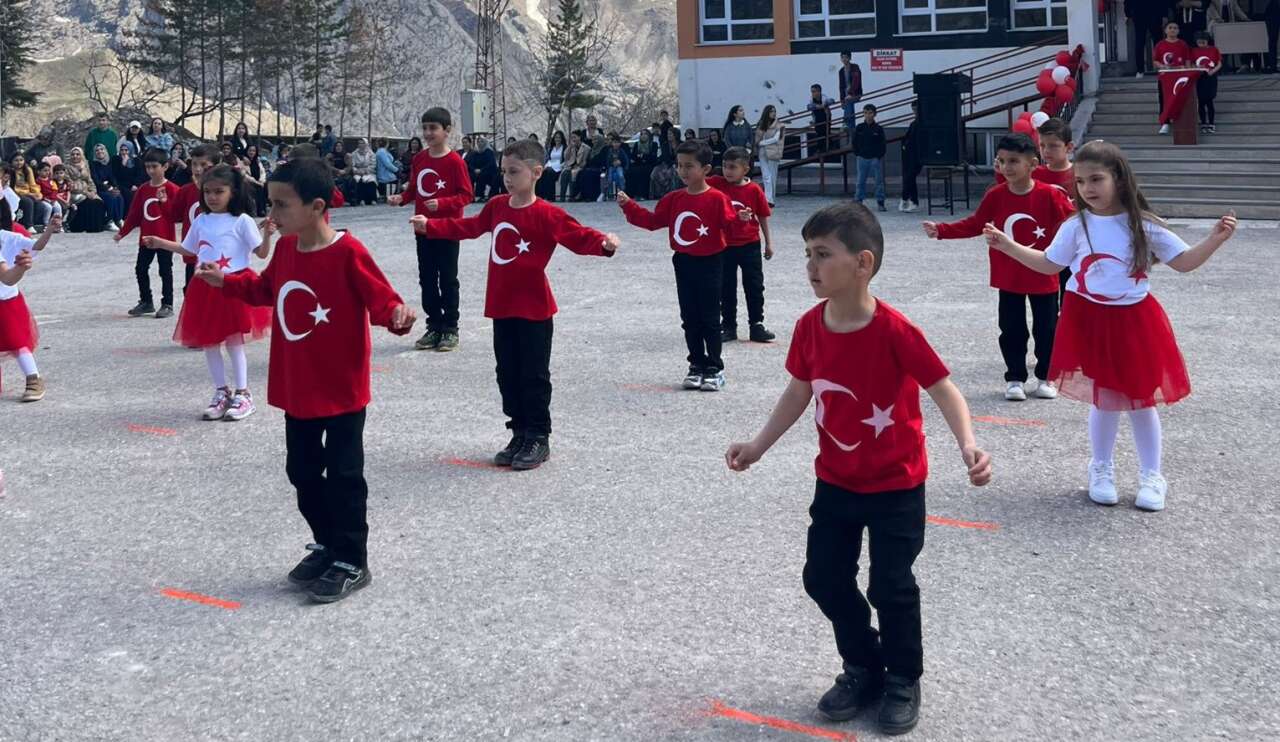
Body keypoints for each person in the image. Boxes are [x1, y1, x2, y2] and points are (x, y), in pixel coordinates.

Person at [724, 201, 992, 736]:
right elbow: (799, 391)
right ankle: (865, 663)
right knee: (823, 577)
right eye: (807, 254)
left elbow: (943, 387)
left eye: (823, 255)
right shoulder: (808, 327)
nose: (810, 266)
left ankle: (902, 678)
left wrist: (968, 444)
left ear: (862, 263)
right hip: (837, 482)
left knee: (891, 586)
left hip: (896, 484)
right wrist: (759, 444)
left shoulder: (894, 330)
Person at [194, 156, 416, 603]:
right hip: (298, 387)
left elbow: (383, 300)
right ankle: (328, 543)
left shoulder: (348, 253)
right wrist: (227, 281)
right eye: (271, 204)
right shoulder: (288, 249)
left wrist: (397, 316)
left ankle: (352, 559)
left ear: (316, 207)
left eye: (281, 205)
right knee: (302, 471)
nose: (271, 216)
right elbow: (265, 289)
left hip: (341, 389)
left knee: (345, 476)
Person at [983, 140, 1237, 512]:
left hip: (1134, 321)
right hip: (1089, 319)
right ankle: (1100, 468)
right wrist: (1008, 247)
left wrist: (1214, 240)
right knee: (1104, 399)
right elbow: (1050, 264)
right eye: (1081, 181)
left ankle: (1152, 474)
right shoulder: (1076, 225)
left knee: (1139, 400)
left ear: (1118, 179)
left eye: (1096, 179)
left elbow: (1183, 261)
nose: (1087, 189)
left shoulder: (1142, 225)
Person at [412, 139, 621, 470]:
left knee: (533, 375)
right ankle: (519, 431)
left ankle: (538, 436)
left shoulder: (547, 214)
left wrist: (605, 244)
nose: (507, 178)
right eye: (504, 172)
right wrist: (432, 227)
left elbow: (578, 236)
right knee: (506, 374)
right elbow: (468, 226)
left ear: (536, 173)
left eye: (514, 171)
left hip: (535, 309)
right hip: (501, 305)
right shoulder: (497, 206)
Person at [923, 133, 1075, 401]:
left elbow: (1074, 223)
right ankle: (1015, 377)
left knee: (1047, 329)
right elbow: (975, 223)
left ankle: (1045, 376)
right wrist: (942, 230)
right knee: (1012, 329)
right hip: (1010, 276)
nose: (1007, 167)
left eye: (1014, 161)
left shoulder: (1050, 195)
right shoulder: (996, 195)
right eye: (1002, 161)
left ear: (1032, 164)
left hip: (1043, 274)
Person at [617, 139, 749, 392]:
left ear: (706, 169)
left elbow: (730, 226)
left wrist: (742, 220)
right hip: (684, 261)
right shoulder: (674, 199)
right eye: (680, 166)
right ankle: (695, 365)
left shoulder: (717, 198)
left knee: (710, 316)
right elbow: (653, 221)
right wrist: (629, 206)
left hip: (711, 261)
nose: (683, 171)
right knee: (689, 316)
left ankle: (714, 367)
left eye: (690, 166)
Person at [144, 163, 272, 421]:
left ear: (233, 192)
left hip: (232, 284)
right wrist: (160, 243)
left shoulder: (242, 220)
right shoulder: (201, 220)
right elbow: (189, 249)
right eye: (208, 192)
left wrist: (268, 234)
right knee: (209, 343)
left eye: (219, 191)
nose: (212, 197)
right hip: (204, 286)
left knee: (234, 341)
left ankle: (243, 393)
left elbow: (261, 253)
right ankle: (221, 391)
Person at [388, 107, 474, 351]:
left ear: (447, 131)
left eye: (433, 128)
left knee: (447, 279)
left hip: (447, 229)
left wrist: (444, 203)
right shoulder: (420, 159)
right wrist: (402, 198)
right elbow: (415, 188)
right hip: (422, 228)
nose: (427, 133)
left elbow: (466, 195)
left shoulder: (455, 162)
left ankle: (450, 328)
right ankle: (434, 325)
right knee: (427, 278)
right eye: (425, 127)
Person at [709, 147, 774, 344]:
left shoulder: (754, 189)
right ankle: (728, 326)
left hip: (750, 245)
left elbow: (762, 215)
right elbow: (697, 180)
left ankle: (757, 324)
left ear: (745, 169)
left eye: (732, 167)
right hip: (725, 246)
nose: (727, 171)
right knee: (725, 287)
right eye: (724, 166)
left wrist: (769, 243)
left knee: (754, 286)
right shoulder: (717, 183)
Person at [0, 207, 62, 402]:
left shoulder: (8, 237)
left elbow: (7, 278)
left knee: (17, 341)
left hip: (5, 299)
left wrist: (20, 268)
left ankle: (33, 378)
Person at [114, 148, 181, 318]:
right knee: (141, 269)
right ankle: (146, 301)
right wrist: (122, 232)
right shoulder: (143, 189)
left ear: (165, 166)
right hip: (146, 239)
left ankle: (167, 303)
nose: (150, 170)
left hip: (165, 239)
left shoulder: (172, 189)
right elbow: (134, 214)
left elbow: (176, 214)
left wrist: (164, 203)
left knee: (165, 270)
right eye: (147, 167)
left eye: (154, 166)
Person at [1032, 118, 1078, 305]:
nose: (1046, 151)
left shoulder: (1079, 174)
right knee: (1045, 302)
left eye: (1053, 146)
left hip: (1073, 245)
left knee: (1070, 297)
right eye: (1042, 145)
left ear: (1069, 147)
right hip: (1044, 243)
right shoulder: (1035, 174)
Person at [166, 143, 219, 291]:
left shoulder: (223, 192)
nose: (197, 169)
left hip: (216, 252)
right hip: (193, 250)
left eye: (203, 164)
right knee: (191, 289)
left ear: (215, 166)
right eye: (194, 164)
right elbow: (173, 215)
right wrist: (164, 203)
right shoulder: (185, 191)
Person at [61, 148, 106, 233]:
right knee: (88, 202)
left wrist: (93, 191)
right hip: (74, 192)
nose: (75, 156)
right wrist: (86, 192)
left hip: (86, 190)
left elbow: (90, 180)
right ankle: (80, 226)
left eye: (77, 154)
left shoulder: (85, 165)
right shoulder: (66, 167)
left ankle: (95, 227)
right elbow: (69, 183)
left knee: (98, 202)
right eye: (73, 154)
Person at [853, 104, 887, 212]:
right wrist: (857, 153)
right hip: (862, 158)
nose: (868, 115)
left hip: (875, 159)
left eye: (870, 113)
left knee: (879, 182)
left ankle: (880, 202)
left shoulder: (878, 128)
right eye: (866, 113)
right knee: (860, 181)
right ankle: (858, 202)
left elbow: (883, 144)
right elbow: (854, 142)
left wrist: (879, 156)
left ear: (875, 114)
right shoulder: (859, 127)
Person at [754, 105, 785, 208]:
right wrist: (758, 144)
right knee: (766, 176)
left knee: (772, 176)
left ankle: (771, 199)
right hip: (762, 152)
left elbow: (776, 139)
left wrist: (762, 143)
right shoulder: (761, 124)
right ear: (767, 112)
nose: (773, 113)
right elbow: (757, 137)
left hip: (773, 152)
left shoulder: (779, 125)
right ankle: (768, 199)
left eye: (774, 111)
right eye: (771, 111)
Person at [1193, 32, 1223, 132]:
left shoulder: (1214, 49)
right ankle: (1203, 123)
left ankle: (1211, 123)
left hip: (1210, 77)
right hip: (1199, 77)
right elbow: (1191, 63)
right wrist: (1197, 70)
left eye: (1203, 42)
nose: (1201, 45)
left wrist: (1213, 71)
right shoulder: (1194, 50)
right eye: (1199, 42)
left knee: (1209, 101)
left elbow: (1219, 63)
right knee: (1201, 102)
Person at [9, 153, 48, 231]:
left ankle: (34, 224)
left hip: (28, 193)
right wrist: (29, 194)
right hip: (15, 193)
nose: (19, 162)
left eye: (21, 160)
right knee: (28, 202)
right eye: (16, 160)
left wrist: (37, 194)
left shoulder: (27, 169)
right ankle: (28, 225)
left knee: (40, 205)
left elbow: (32, 184)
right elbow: (13, 188)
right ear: (11, 162)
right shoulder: (9, 171)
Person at [90, 144, 125, 231]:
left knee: (119, 196)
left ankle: (119, 220)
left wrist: (115, 187)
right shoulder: (93, 164)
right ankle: (109, 221)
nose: (99, 151)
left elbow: (112, 178)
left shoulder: (108, 164)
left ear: (105, 151)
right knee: (110, 197)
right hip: (99, 189)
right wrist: (108, 188)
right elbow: (96, 180)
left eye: (101, 149)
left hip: (109, 188)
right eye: (97, 150)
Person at [111, 142, 145, 214]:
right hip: (121, 184)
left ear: (130, 150)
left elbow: (140, 174)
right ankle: (127, 217)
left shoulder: (136, 160)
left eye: (126, 150)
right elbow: (117, 175)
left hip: (134, 184)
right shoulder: (115, 159)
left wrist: (136, 184)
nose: (124, 152)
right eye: (122, 150)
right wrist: (123, 164)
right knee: (127, 194)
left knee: (139, 192)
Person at [838, 51, 864, 144]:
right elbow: (841, 87)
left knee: (849, 103)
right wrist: (842, 100)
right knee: (851, 113)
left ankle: (844, 123)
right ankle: (852, 136)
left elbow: (856, 82)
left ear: (849, 58)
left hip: (856, 93)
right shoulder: (841, 71)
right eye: (842, 57)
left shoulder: (855, 67)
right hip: (846, 96)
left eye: (846, 57)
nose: (844, 59)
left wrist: (850, 93)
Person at [899, 101, 921, 213]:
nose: (915, 112)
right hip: (910, 154)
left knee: (910, 177)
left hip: (918, 155)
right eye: (913, 109)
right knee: (909, 177)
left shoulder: (921, 122)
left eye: (916, 109)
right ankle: (911, 200)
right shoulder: (914, 123)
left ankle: (906, 198)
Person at [650, 127, 681, 201]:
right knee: (655, 172)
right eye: (668, 134)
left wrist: (675, 163)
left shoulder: (681, 144)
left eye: (670, 134)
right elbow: (665, 156)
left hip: (679, 163)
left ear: (675, 135)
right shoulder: (665, 144)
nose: (669, 136)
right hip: (667, 163)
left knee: (673, 172)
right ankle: (657, 194)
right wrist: (670, 164)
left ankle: (673, 194)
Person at [626, 129, 658, 200]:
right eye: (641, 134)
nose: (643, 136)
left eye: (645, 134)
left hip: (649, 164)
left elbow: (652, 157)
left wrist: (642, 157)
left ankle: (642, 194)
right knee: (631, 172)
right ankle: (631, 194)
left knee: (643, 172)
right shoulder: (637, 144)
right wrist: (641, 157)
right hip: (638, 164)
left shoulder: (653, 144)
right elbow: (633, 156)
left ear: (649, 136)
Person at [599, 132, 630, 201]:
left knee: (621, 177)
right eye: (614, 142)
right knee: (609, 179)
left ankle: (622, 192)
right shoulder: (610, 151)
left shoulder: (621, 151)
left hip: (619, 167)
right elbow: (607, 160)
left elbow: (626, 160)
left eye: (617, 142)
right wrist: (611, 164)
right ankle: (609, 194)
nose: (616, 144)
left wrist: (624, 167)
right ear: (612, 143)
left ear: (620, 143)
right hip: (611, 167)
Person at [807, 84, 837, 155]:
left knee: (825, 131)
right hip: (817, 117)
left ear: (819, 91)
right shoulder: (811, 99)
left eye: (814, 91)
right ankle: (825, 147)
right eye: (812, 92)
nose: (813, 93)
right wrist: (818, 106)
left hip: (826, 116)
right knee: (819, 132)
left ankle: (823, 148)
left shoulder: (824, 98)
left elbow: (832, 101)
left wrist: (825, 104)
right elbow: (809, 107)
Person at [466, 136, 498, 201]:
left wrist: (481, 170)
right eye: (478, 142)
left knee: (482, 176)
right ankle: (470, 196)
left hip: (488, 171)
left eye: (482, 141)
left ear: (485, 142)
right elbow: (471, 163)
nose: (480, 143)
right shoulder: (475, 153)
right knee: (469, 176)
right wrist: (474, 169)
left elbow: (491, 164)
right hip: (476, 171)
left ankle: (480, 195)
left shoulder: (489, 152)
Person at [537, 131, 566, 201]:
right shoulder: (551, 148)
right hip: (550, 165)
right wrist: (546, 166)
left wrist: (560, 166)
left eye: (559, 137)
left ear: (562, 139)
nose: (557, 139)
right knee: (542, 173)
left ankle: (551, 197)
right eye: (556, 137)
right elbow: (549, 159)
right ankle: (541, 196)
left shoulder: (564, 148)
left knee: (550, 173)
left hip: (559, 168)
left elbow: (565, 160)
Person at [348, 138, 377, 206]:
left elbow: (373, 164)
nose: (360, 145)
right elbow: (353, 165)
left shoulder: (371, 153)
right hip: (358, 172)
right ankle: (361, 199)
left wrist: (365, 171)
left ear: (366, 144)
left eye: (362, 143)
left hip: (368, 172)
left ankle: (373, 199)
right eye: (359, 143)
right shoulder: (354, 153)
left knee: (371, 181)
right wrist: (357, 171)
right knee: (358, 180)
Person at [243, 144, 269, 216]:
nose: (252, 152)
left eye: (254, 151)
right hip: (249, 183)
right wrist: (257, 182)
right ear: (247, 151)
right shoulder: (244, 161)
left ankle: (263, 209)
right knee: (259, 188)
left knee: (266, 186)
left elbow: (262, 172)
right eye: (250, 150)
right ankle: (260, 210)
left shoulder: (258, 161)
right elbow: (245, 175)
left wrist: (262, 180)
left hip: (259, 182)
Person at [560, 132, 584, 201]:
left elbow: (585, 160)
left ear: (579, 137)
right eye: (572, 137)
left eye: (574, 137)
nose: (573, 139)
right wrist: (570, 147)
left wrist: (579, 166)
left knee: (573, 174)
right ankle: (562, 197)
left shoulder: (585, 147)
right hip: (570, 166)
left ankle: (572, 196)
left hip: (580, 166)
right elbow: (565, 157)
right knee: (565, 173)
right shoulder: (571, 147)